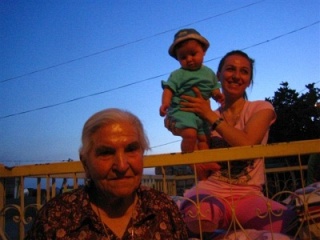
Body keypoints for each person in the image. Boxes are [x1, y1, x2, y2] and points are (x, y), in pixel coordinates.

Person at [166, 50, 297, 237]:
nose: (236, 76)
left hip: (248, 194)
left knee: (287, 222)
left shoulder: (261, 108)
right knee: (197, 221)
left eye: (244, 71)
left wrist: (209, 115)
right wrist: (182, 131)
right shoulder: (202, 116)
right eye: (230, 69)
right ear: (218, 76)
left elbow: (247, 144)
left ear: (250, 80)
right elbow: (201, 171)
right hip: (210, 192)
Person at [25, 108, 188, 239]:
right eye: (106, 153)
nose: (122, 166)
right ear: (85, 163)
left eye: (131, 149)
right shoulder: (56, 218)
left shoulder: (163, 209)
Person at [160, 28, 224, 153]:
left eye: (193, 54)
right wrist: (165, 103)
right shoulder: (178, 74)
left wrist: (218, 95)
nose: (189, 59)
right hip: (183, 109)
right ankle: (189, 158)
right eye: (183, 57)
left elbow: (214, 88)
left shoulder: (209, 73)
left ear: (203, 52)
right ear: (178, 59)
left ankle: (205, 162)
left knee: (204, 138)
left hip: (202, 114)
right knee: (189, 134)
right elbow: (169, 89)